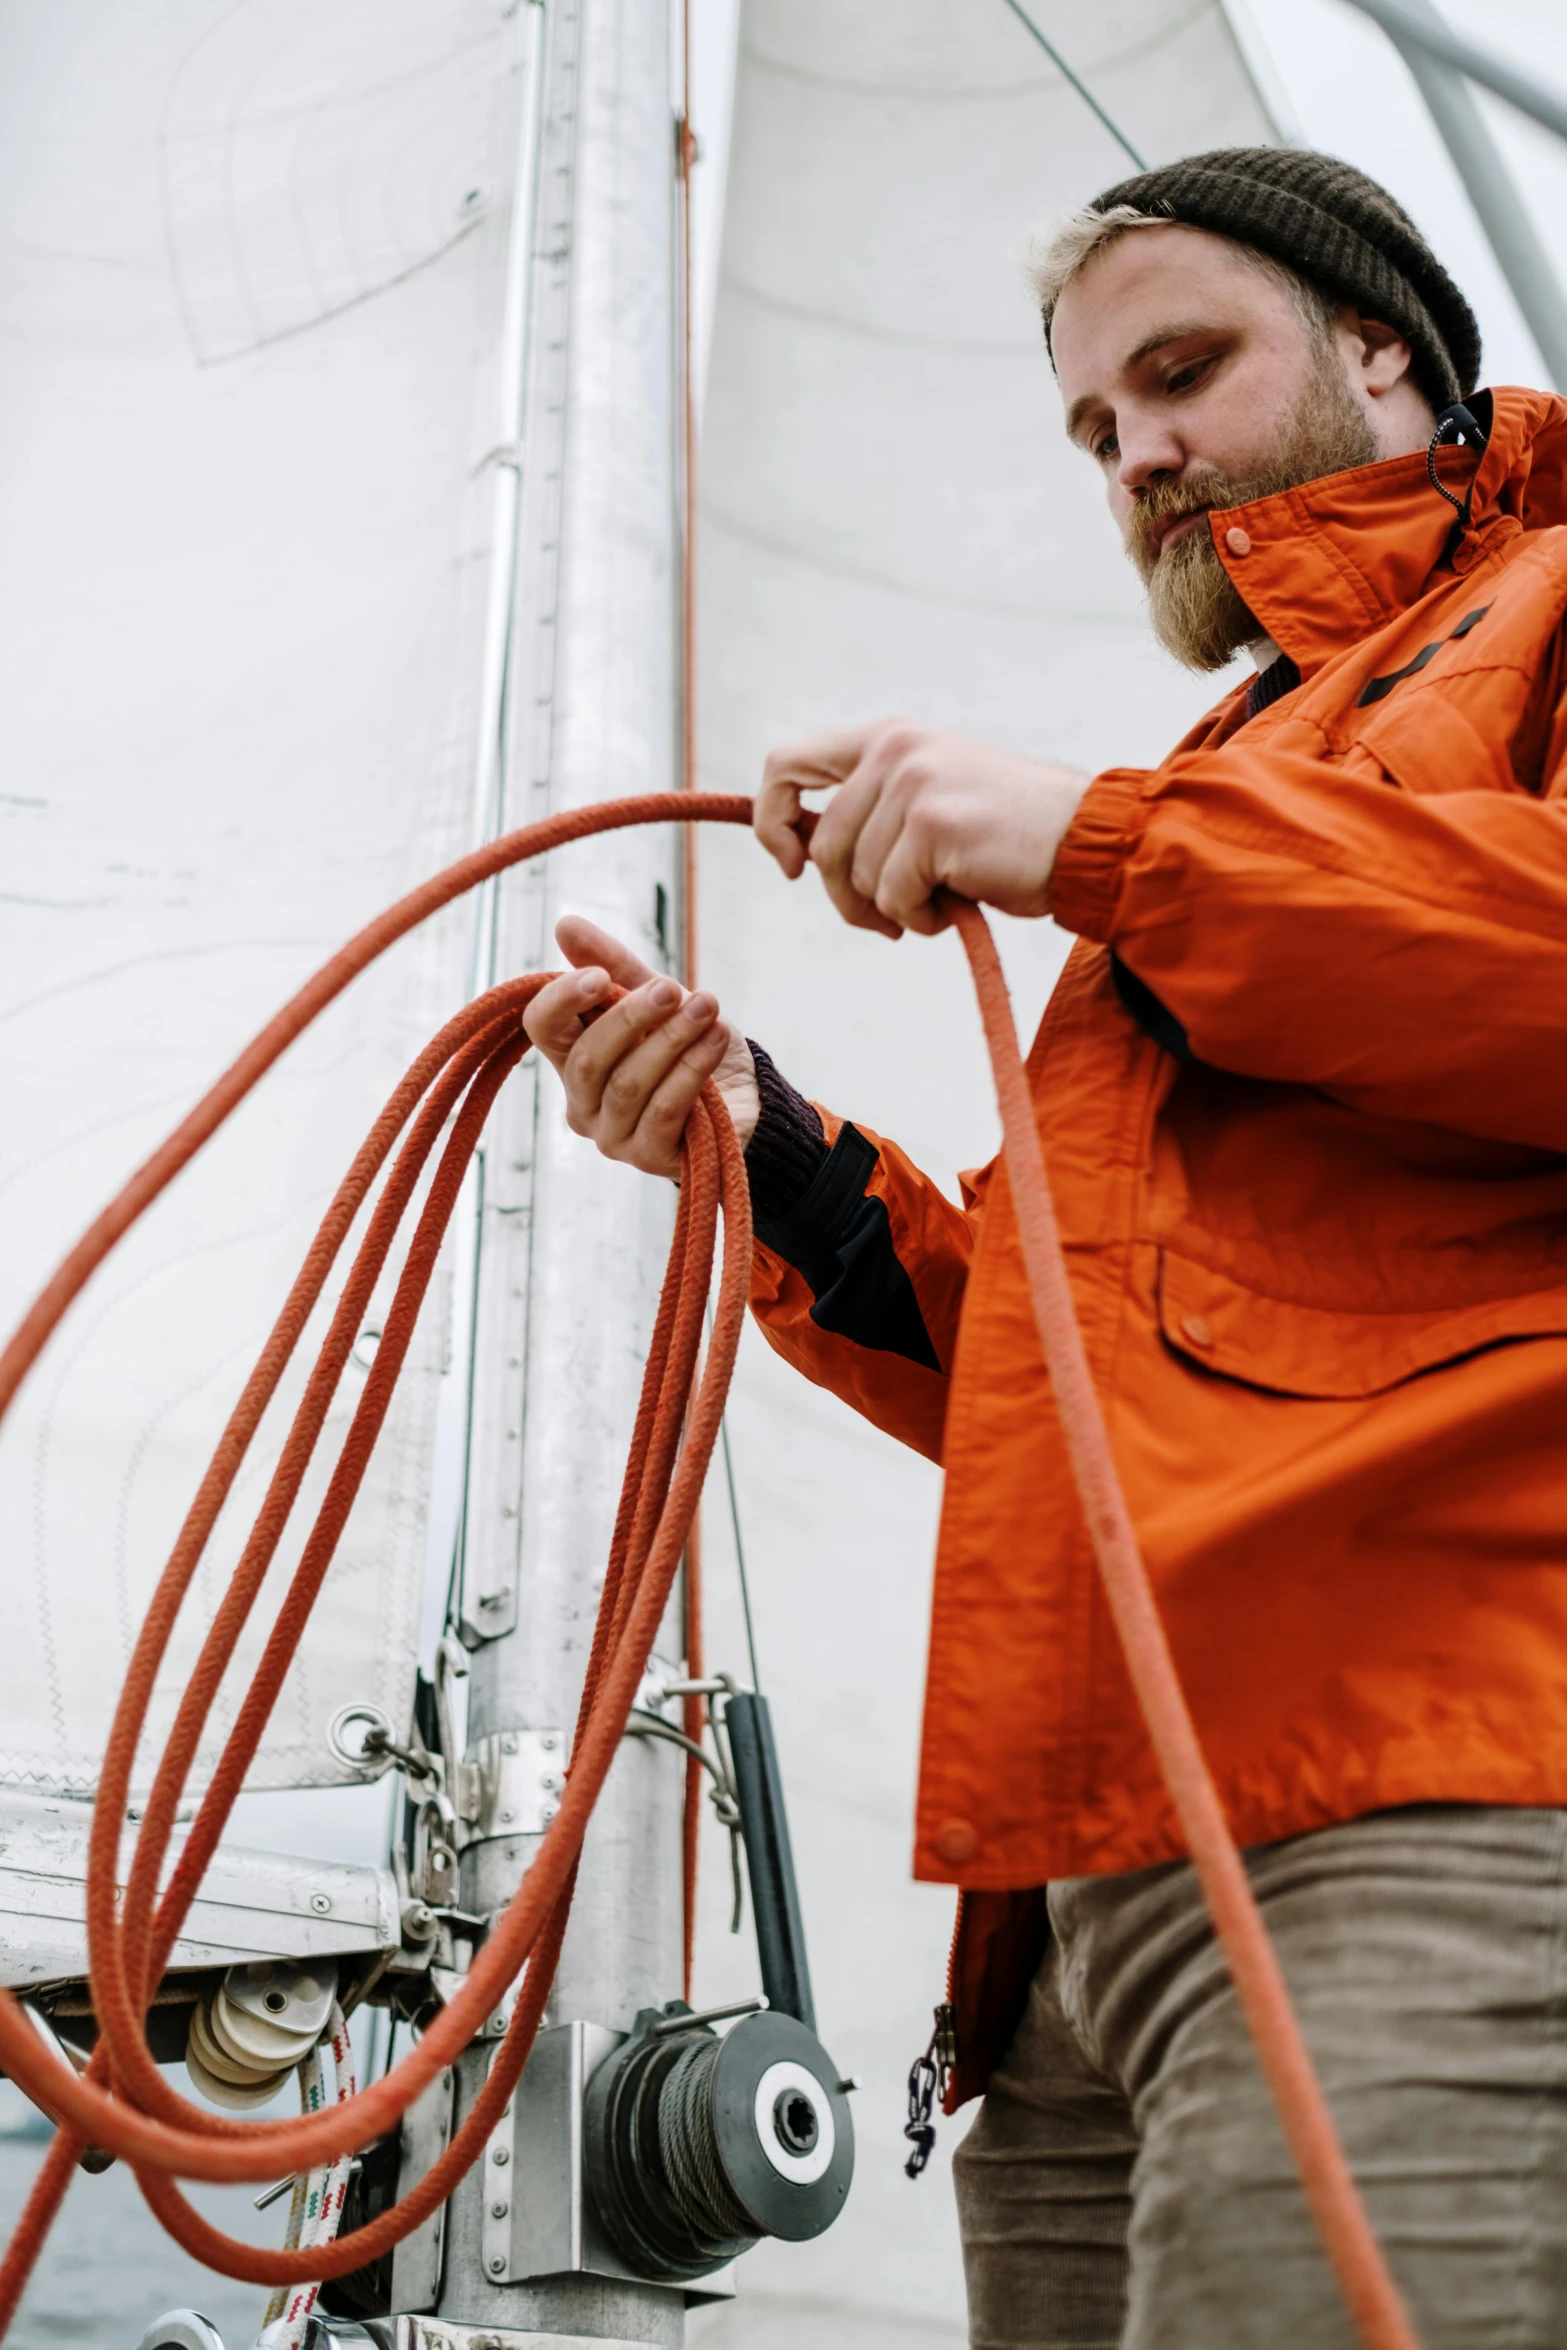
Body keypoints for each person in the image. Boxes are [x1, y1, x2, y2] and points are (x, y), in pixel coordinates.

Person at [523, 147, 1567, 2349]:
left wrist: (1099, 838)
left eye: (1180, 374)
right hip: (1087, 1925)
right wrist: (779, 1159)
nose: (1139, 456)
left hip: (1436, 1793)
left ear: (1385, 343)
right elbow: (1087, 1355)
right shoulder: (1242, 773)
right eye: (1094, 430)